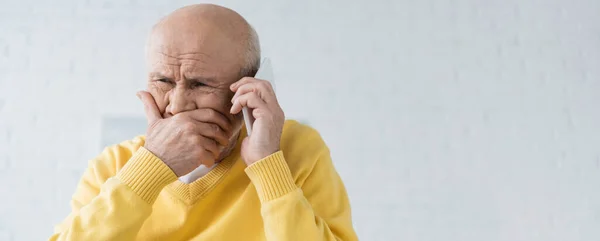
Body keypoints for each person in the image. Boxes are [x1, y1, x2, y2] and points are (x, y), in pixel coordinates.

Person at [49, 4, 357, 241]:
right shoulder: (113, 165)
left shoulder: (297, 150)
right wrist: (151, 169)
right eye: (163, 80)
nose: (178, 105)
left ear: (248, 89)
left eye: (200, 84)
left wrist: (268, 167)